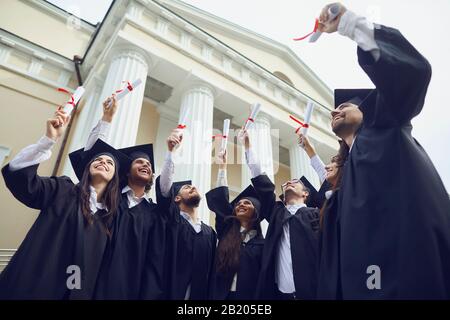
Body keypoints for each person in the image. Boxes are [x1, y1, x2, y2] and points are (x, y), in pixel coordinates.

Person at [319, 3, 450, 298]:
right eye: (334, 109)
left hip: (403, 275)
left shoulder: (387, 126)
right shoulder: (345, 178)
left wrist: (350, 25)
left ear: (369, 109)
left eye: (345, 106)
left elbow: (411, 74)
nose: (335, 110)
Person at [0, 110, 130, 299]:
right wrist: (46, 141)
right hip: (34, 285)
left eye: (110, 162)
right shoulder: (63, 190)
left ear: (115, 177)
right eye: (98, 159)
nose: (103, 161)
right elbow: (24, 184)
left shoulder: (110, 218)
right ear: (87, 168)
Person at [73, 95, 166, 299]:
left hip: (129, 286)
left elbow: (154, 259)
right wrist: (106, 119)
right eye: (139, 162)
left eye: (149, 166)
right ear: (125, 171)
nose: (145, 166)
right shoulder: (107, 200)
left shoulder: (154, 214)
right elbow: (88, 163)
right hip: (91, 277)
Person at [238, 130, 319, 300]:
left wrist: (311, 152)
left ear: (305, 194)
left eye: (295, 182)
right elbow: (262, 182)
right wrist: (248, 146)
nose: (289, 182)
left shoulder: (317, 215)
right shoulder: (277, 214)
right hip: (280, 294)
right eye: (286, 183)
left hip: (314, 290)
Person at [155, 128, 217, 300]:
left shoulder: (209, 233)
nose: (192, 187)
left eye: (193, 187)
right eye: (186, 188)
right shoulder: (172, 221)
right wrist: (171, 152)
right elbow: (164, 188)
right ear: (176, 198)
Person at [205, 150, 264, 300]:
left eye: (247, 203)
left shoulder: (262, 244)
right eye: (238, 203)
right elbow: (220, 202)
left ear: (256, 211)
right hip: (220, 296)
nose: (241, 205)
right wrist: (222, 168)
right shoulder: (226, 232)